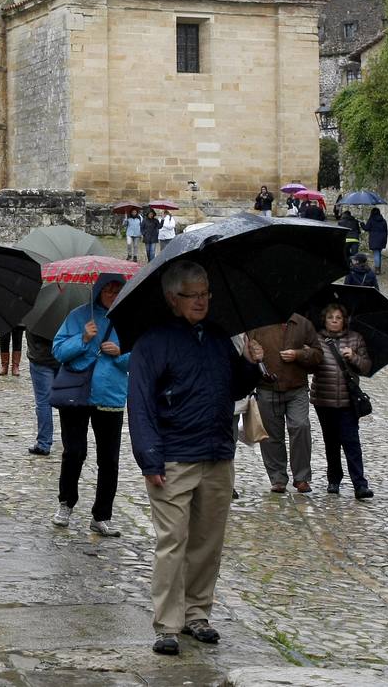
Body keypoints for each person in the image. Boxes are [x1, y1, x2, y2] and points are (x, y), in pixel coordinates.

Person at [127, 260, 264, 656]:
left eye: (205, 294)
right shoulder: (153, 343)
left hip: (217, 452)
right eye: (192, 295)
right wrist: (149, 458)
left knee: (208, 541)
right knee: (173, 541)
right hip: (173, 456)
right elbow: (139, 405)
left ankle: (196, 613)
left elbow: (234, 386)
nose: (201, 302)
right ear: (173, 299)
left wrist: (250, 362)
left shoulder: (220, 337)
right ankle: (167, 624)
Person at [50, 273, 131, 536]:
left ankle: (102, 514)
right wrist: (83, 339)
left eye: (117, 289)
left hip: (110, 395)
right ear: (97, 291)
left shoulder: (130, 318)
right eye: (107, 289)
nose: (112, 293)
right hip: (77, 395)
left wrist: (121, 354)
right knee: (74, 452)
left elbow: (140, 359)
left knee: (109, 458)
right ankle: (66, 502)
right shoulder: (78, 316)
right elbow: (59, 351)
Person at [246, 314, 321, 493]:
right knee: (271, 435)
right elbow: (246, 351)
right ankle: (277, 478)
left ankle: (301, 477)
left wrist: (300, 354)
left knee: (300, 426)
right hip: (266, 387)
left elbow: (318, 354)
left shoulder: (303, 323)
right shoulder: (258, 323)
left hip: (297, 388)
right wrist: (253, 353)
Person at [312, 303, 373, 499]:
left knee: (351, 442)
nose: (334, 321)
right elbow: (309, 364)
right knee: (331, 442)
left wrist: (353, 357)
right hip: (324, 399)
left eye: (338, 318)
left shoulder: (355, 338)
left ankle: (359, 483)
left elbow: (366, 367)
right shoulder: (316, 339)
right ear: (325, 320)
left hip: (348, 401)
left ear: (344, 320)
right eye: (331, 318)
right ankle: (333, 479)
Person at [24, 327, 58, 457]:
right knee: (67, 402)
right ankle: (69, 440)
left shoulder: (34, 312)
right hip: (62, 357)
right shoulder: (69, 312)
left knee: (43, 402)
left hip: (40, 358)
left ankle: (44, 443)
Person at [363, 209, 388, 274]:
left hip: (374, 239)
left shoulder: (371, 220)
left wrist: (362, 224)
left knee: (376, 254)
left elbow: (366, 228)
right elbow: (386, 231)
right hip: (382, 239)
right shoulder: (383, 221)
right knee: (379, 253)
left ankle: (377, 270)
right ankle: (378, 268)